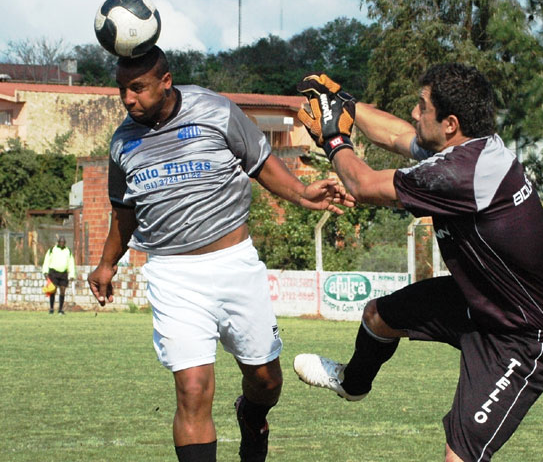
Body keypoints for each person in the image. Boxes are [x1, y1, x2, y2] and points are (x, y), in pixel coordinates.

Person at [292, 65, 543, 462]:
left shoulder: (459, 174)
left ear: (450, 123)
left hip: (528, 336)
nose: (413, 112)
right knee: (378, 317)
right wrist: (344, 105)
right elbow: (395, 134)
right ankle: (353, 383)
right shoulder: (472, 149)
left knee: (458, 456)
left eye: (421, 106)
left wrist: (334, 136)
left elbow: (361, 185)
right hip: (482, 300)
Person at [86, 46, 354, 462]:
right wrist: (106, 264)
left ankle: (251, 416)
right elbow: (124, 214)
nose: (127, 99)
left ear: (166, 82)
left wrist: (303, 193)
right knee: (192, 389)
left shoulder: (216, 110)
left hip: (234, 265)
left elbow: (261, 162)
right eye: (122, 89)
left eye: (137, 88)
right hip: (172, 274)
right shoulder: (123, 142)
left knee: (266, 381)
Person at [42, 236, 75, 315]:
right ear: (58, 242)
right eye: (61, 242)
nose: (62, 243)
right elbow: (47, 261)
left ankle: (60, 309)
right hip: (54, 272)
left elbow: (71, 263)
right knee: (53, 290)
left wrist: (72, 274)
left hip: (63, 273)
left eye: (63, 242)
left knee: (63, 291)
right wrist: (45, 272)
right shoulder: (52, 250)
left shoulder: (68, 251)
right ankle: (51, 308)